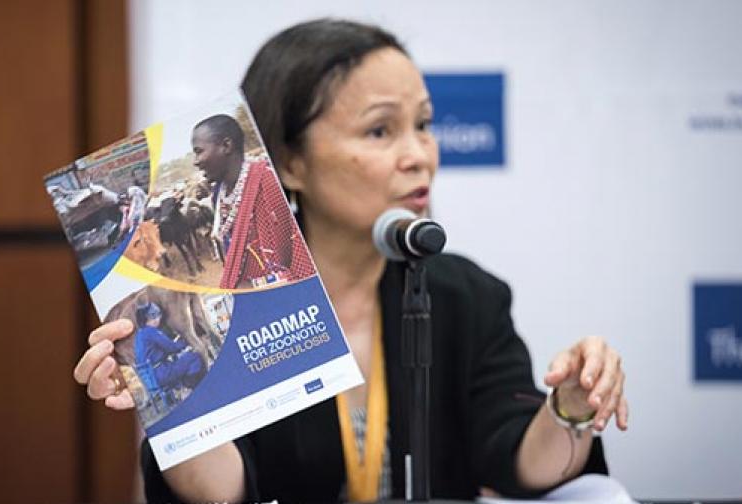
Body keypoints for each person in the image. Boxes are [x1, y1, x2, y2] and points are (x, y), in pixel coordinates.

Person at [73, 18, 629, 503]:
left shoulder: (467, 294)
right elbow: (224, 493)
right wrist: (178, 405)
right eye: (381, 130)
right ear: (288, 161)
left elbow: (521, 464)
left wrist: (571, 408)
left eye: (424, 125)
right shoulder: (237, 300)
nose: (419, 156)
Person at [190, 114, 316, 288]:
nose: (195, 162)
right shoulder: (218, 194)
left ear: (226, 146)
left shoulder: (268, 183)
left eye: (199, 152)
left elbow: (298, 255)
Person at [133, 302, 205, 392]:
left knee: (180, 362)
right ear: (150, 318)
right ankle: (192, 385)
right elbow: (172, 348)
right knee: (194, 357)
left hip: (150, 380)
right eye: (156, 316)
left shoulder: (139, 336)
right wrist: (185, 341)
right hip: (161, 374)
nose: (158, 319)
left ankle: (184, 385)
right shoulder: (151, 331)